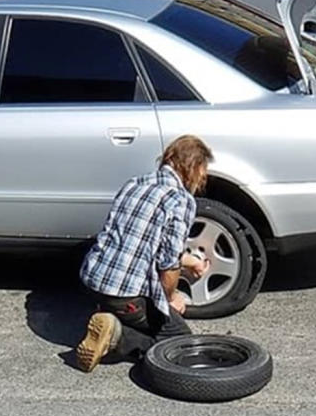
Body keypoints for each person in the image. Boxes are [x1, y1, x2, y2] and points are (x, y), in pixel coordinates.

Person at [75, 135, 214, 372]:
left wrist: (191, 261)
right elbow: (168, 264)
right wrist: (170, 300)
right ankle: (117, 338)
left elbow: (143, 243)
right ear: (193, 168)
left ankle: (110, 313)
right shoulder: (181, 200)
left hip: (92, 280)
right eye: (203, 172)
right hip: (125, 296)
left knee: (138, 310)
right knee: (179, 342)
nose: (202, 179)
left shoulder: (134, 183)